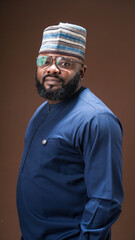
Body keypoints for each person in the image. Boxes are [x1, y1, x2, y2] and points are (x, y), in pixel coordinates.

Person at [17, 22, 124, 240]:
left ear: (82, 71)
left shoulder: (97, 119)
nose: (52, 68)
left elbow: (106, 200)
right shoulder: (43, 110)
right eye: (45, 60)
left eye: (65, 62)